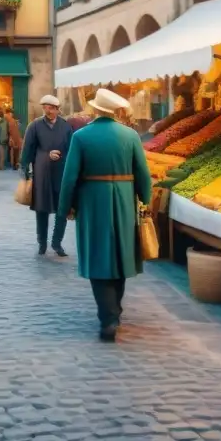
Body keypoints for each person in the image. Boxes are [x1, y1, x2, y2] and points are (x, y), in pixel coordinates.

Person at [57, 88, 151, 342]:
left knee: (98, 255)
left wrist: (66, 206)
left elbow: (70, 177)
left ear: (95, 109)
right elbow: (143, 173)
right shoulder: (130, 135)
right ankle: (114, 311)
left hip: (92, 200)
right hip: (123, 198)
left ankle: (108, 317)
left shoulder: (81, 136)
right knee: (120, 254)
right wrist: (145, 199)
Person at [22, 95, 73, 257]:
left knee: (62, 209)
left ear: (58, 109)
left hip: (61, 173)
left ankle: (57, 243)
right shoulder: (35, 126)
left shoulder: (66, 127)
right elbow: (28, 150)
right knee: (41, 209)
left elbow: (73, 151)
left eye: (51, 107)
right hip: (42, 174)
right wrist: (26, 169)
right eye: (45, 107)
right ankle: (42, 243)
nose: (48, 110)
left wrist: (64, 160)